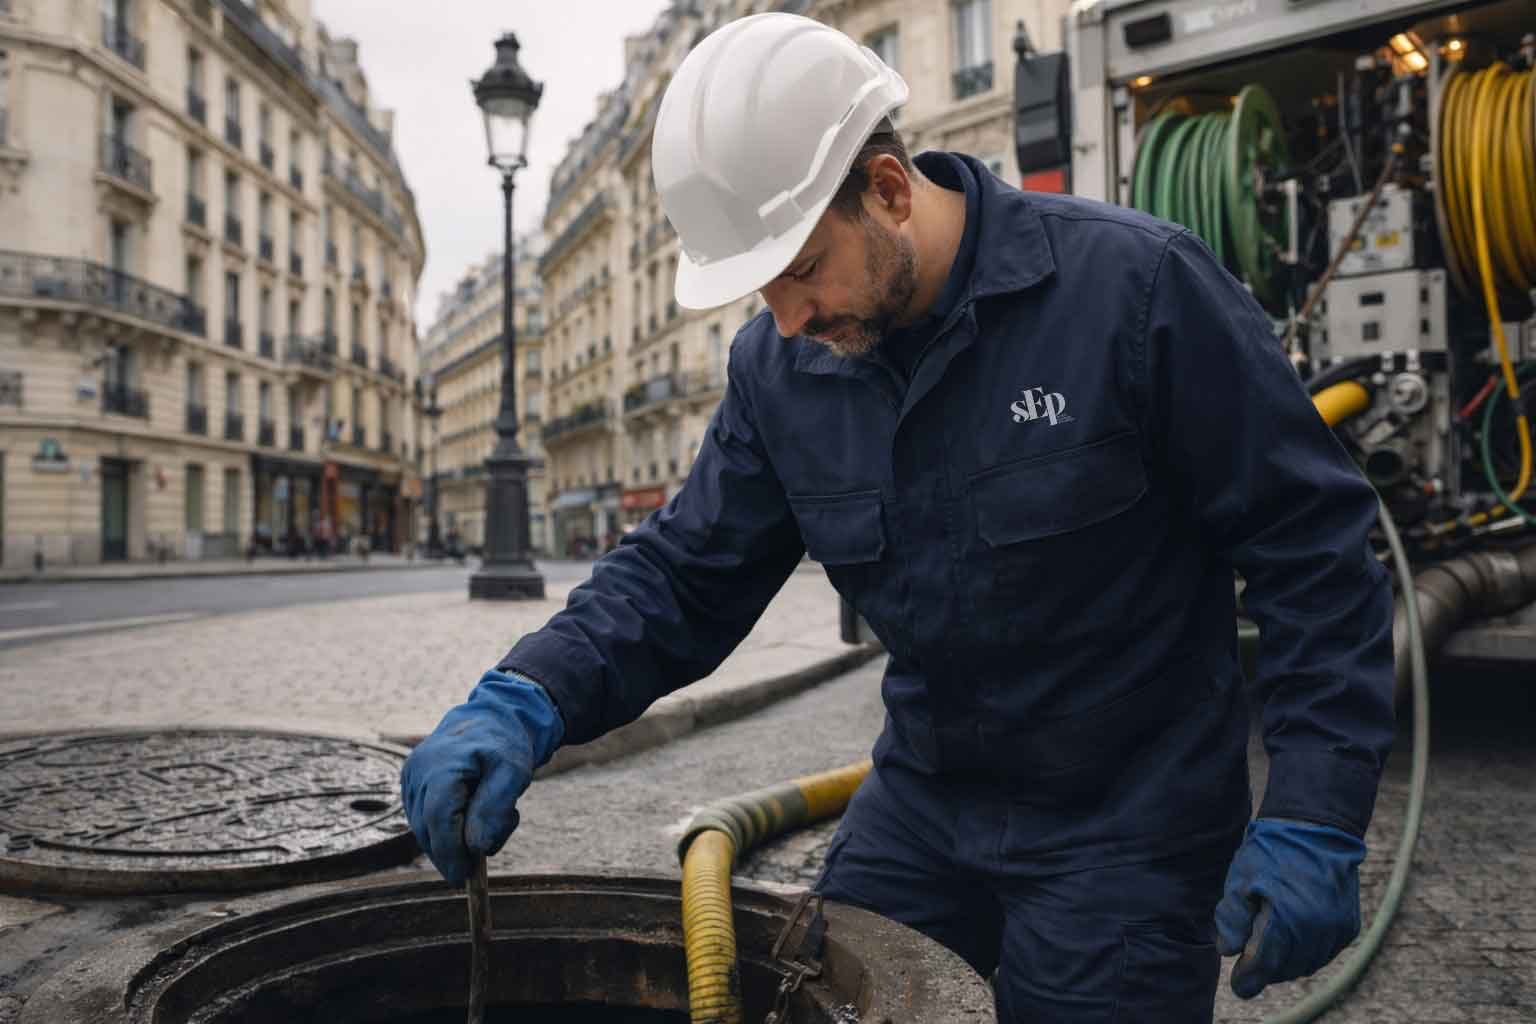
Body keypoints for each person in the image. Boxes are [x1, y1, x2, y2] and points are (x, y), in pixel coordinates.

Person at [400, 13, 1394, 1021]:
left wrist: (1316, 810)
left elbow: (1312, 553)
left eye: (799, 268)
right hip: (924, 807)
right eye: (760, 288)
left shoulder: (1137, 293)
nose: (787, 318)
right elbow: (684, 573)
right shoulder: (778, 369)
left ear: (886, 189)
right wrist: (528, 693)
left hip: (1127, 830)